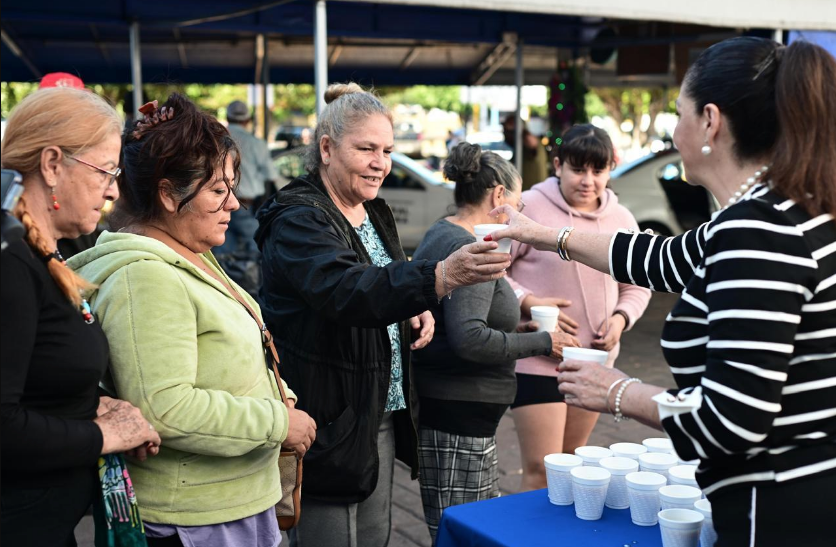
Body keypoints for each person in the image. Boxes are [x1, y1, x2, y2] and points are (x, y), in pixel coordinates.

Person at [488, 37, 836, 546]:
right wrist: (540, 233)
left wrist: (618, 392)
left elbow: (729, 419)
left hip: (780, 508)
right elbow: (660, 258)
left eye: (678, 114)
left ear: (710, 122)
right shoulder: (783, 210)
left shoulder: (758, 231)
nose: (674, 132)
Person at [255, 83, 513, 547]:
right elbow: (345, 289)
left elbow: (382, 279)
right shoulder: (299, 218)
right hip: (327, 416)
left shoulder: (371, 208)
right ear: (327, 149)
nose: (380, 162)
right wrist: (439, 277)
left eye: (388, 151)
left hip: (376, 409)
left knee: (375, 536)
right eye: (366, 149)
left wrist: (413, 309)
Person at [70, 94, 316, 547]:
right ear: (168, 195)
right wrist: (278, 423)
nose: (235, 204)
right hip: (195, 520)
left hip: (225, 505)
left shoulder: (187, 252)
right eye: (219, 191)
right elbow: (166, 409)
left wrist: (279, 396)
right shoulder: (145, 277)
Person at [1, 87, 162, 547]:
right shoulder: (11, 260)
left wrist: (94, 404)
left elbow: (36, 379)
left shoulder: (38, 251)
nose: (113, 190)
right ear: (52, 164)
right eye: (105, 171)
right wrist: (102, 434)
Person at [411, 142, 580, 541]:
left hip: (456, 410)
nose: (518, 214)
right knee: (464, 534)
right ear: (498, 196)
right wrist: (544, 342)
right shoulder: (473, 246)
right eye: (518, 203)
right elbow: (469, 339)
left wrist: (517, 334)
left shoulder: (443, 230)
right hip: (459, 413)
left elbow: (456, 322)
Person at [507, 125, 651, 491]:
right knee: (541, 469)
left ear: (610, 170)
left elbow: (636, 285)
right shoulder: (529, 206)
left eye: (598, 170)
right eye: (578, 169)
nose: (588, 180)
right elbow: (493, 270)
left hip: (594, 362)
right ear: (558, 166)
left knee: (572, 464)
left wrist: (621, 318)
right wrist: (528, 301)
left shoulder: (622, 219)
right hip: (537, 360)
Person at [216, 100, 277, 254]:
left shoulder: (215, 142)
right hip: (246, 205)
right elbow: (271, 174)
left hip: (217, 203)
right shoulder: (256, 143)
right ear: (248, 119)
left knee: (224, 251)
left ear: (228, 118)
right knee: (256, 249)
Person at [502, 116, 549, 191]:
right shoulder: (520, 149)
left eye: (508, 131)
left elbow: (530, 140)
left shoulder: (530, 144)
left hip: (533, 192)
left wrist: (519, 129)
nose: (505, 133)